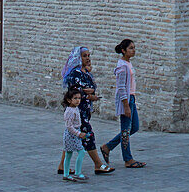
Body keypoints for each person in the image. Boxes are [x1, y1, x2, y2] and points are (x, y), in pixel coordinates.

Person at [58, 46, 114, 175]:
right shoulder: (75, 74)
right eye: (84, 56)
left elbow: (91, 87)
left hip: (85, 110)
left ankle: (62, 165)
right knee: (88, 135)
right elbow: (73, 93)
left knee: (71, 138)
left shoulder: (86, 72)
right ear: (78, 58)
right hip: (77, 111)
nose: (87, 58)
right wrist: (87, 95)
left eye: (89, 55)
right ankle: (98, 164)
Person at [100, 38, 146, 169]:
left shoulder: (128, 64)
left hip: (132, 98)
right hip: (126, 100)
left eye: (134, 47)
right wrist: (126, 105)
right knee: (125, 130)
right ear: (123, 50)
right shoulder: (122, 66)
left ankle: (108, 146)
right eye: (130, 48)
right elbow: (120, 87)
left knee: (134, 127)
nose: (133, 50)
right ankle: (128, 159)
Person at [61, 86, 89, 182]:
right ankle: (77, 172)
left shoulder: (75, 109)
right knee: (80, 151)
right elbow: (69, 126)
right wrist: (78, 133)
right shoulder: (70, 111)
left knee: (69, 153)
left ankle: (66, 174)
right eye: (75, 98)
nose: (78, 100)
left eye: (79, 98)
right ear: (69, 100)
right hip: (71, 135)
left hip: (74, 133)